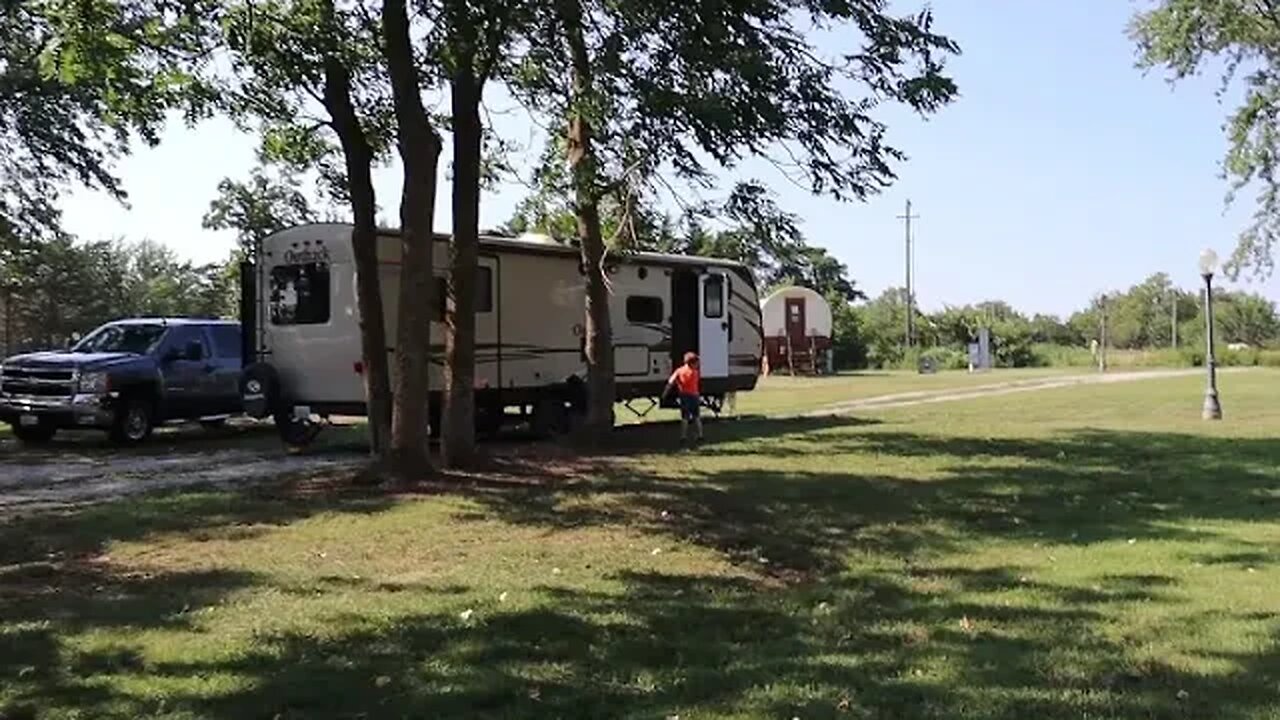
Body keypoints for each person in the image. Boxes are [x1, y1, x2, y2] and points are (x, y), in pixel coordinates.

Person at [667, 351, 703, 445]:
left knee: (684, 417)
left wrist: (666, 392)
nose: (698, 365)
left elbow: (671, 381)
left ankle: (683, 436)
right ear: (692, 363)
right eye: (697, 363)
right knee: (697, 417)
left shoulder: (680, 370)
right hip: (694, 396)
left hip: (684, 396)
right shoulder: (695, 372)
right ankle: (700, 435)